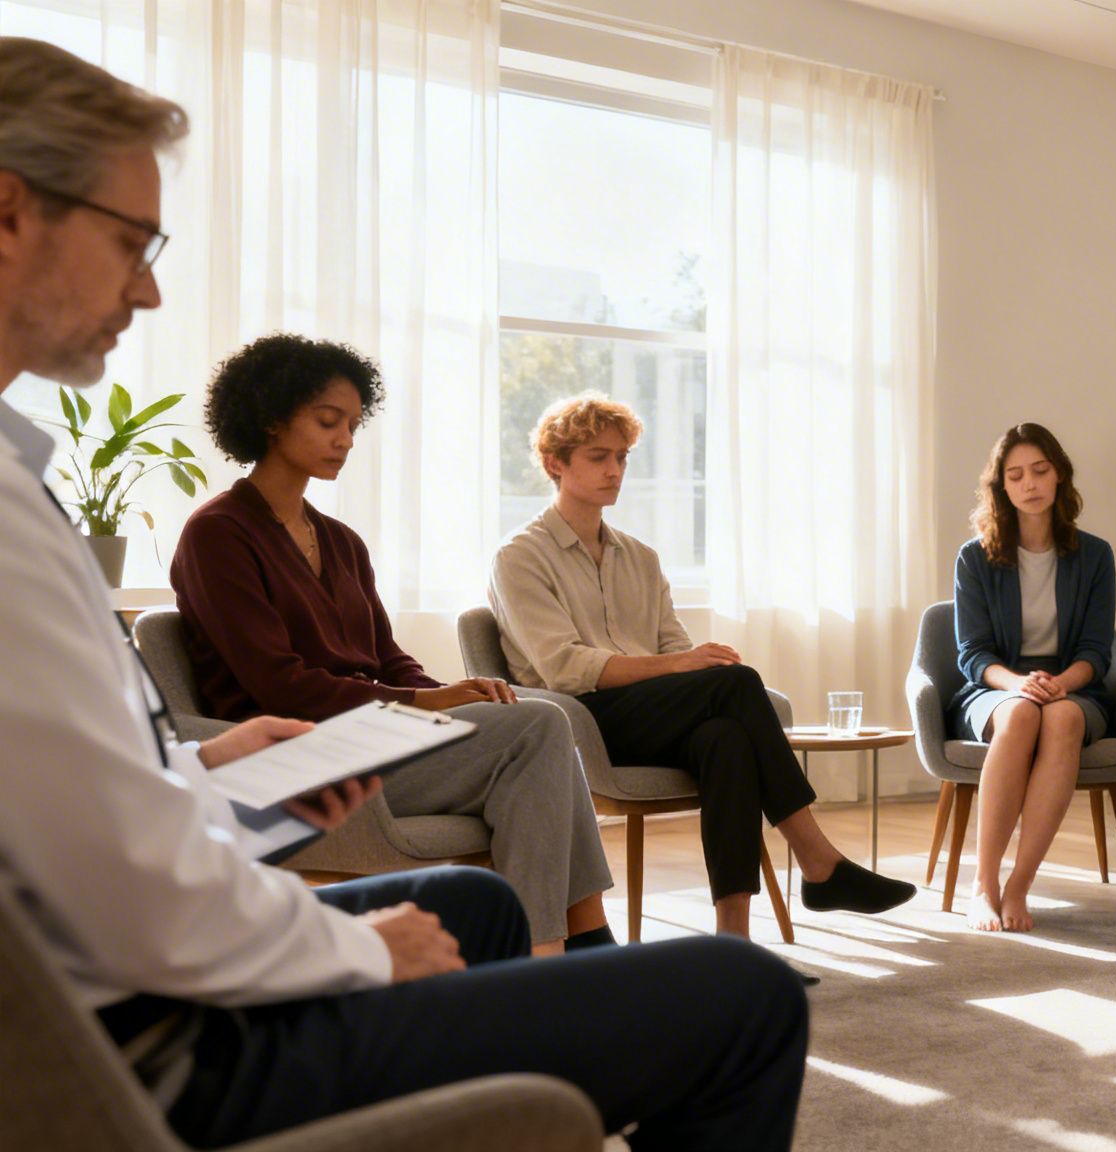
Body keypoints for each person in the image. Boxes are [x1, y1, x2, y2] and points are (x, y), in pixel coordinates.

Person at [0, 36, 805, 1150]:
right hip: (161, 1043)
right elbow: (138, 886)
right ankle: (578, 963)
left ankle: (560, 965)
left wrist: (204, 764)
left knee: (475, 875)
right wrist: (356, 948)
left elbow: (68, 795)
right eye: (132, 242)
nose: (147, 286)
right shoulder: (149, 531)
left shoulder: (67, 499)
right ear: (8, 212)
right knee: (737, 996)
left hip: (266, 811)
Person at [170, 333, 615, 954]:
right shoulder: (217, 535)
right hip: (298, 752)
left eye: (353, 424)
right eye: (328, 421)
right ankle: (553, 953)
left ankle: (563, 944)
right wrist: (420, 703)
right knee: (540, 729)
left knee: (534, 728)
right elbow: (278, 684)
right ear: (270, 418)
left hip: (377, 739)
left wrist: (453, 694)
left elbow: (387, 657)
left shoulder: (342, 541)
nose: (345, 438)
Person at [489, 392, 914, 942]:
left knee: (726, 738)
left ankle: (732, 942)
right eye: (598, 457)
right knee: (736, 683)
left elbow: (673, 644)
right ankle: (817, 860)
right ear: (555, 464)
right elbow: (564, 667)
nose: (615, 470)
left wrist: (685, 664)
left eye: (622, 457)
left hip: (650, 715)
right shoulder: (520, 555)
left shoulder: (639, 556)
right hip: (580, 725)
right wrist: (680, 665)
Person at [949, 423, 1116, 932]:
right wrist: (1018, 684)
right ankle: (984, 884)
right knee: (1021, 715)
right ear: (1001, 486)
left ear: (1060, 474)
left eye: (1040, 471)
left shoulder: (1095, 555)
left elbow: (1096, 649)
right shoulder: (975, 557)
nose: (1030, 484)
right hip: (997, 687)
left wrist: (1063, 682)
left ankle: (1020, 883)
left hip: (1073, 685)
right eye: (1016, 475)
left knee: (1062, 720)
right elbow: (972, 653)